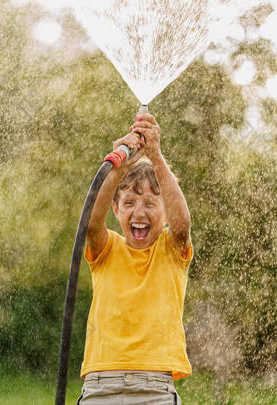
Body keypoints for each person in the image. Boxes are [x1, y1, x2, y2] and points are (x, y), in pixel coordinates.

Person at [77, 112, 192, 404]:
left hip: (154, 388)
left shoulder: (171, 249)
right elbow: (90, 225)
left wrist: (155, 155)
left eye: (151, 203)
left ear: (165, 213)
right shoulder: (106, 250)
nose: (139, 212)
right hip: (101, 385)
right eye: (129, 202)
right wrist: (117, 168)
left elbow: (182, 227)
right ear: (116, 210)